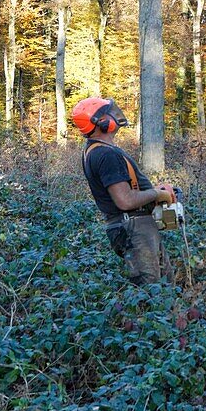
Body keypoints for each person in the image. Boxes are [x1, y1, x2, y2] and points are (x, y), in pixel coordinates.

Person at [72, 97, 176, 286]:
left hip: (135, 226)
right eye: (108, 112)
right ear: (100, 122)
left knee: (164, 286)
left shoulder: (100, 150)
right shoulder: (105, 154)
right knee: (150, 290)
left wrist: (153, 190)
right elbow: (125, 200)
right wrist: (157, 194)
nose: (116, 114)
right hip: (133, 227)